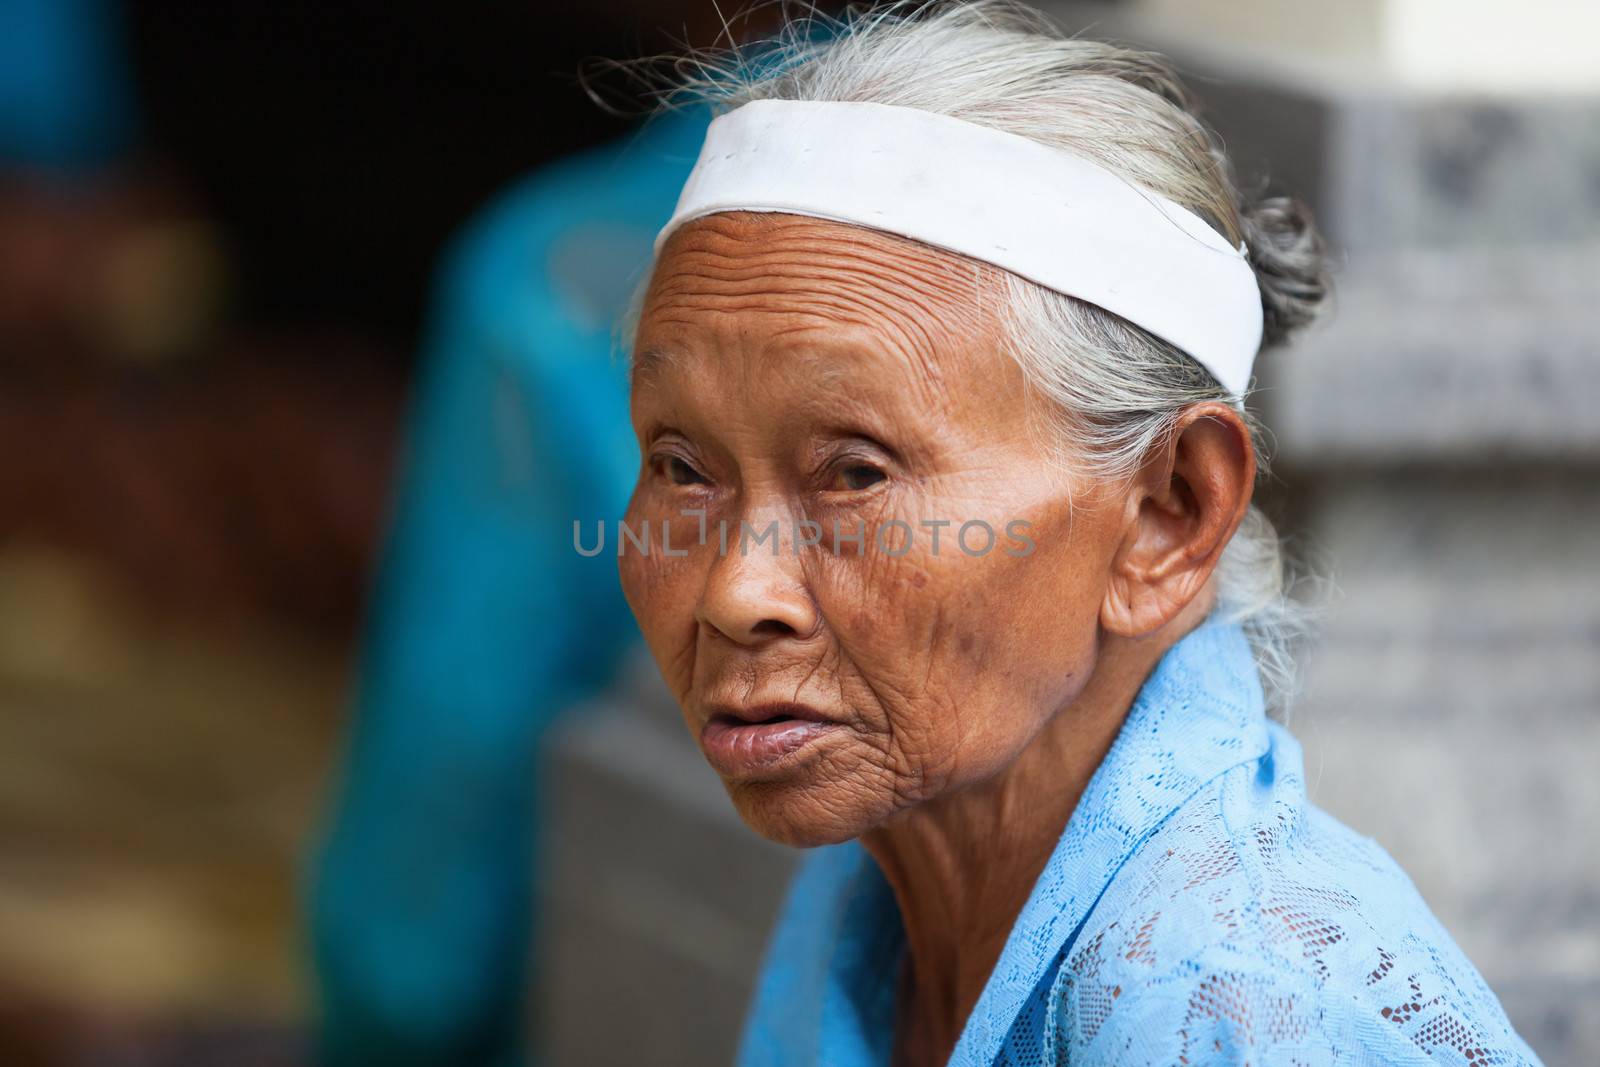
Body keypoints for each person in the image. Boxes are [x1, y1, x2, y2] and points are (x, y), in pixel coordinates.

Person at [615, 2, 1542, 1064]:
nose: (738, 592)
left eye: (857, 473)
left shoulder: (1234, 1005)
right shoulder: (878, 883)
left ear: (1167, 514)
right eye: (683, 468)